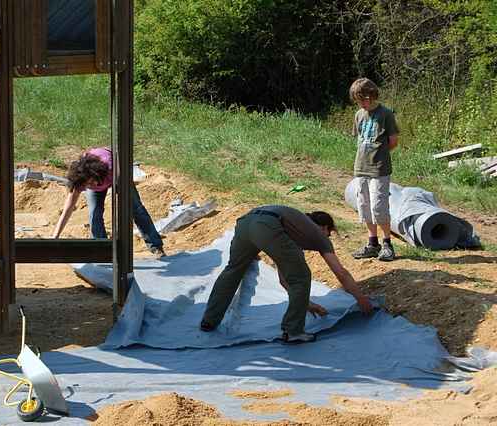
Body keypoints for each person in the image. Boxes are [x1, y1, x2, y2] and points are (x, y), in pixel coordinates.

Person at [200, 205, 373, 344]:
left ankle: (209, 320)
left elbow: (284, 279)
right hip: (266, 224)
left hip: (246, 222)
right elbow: (341, 273)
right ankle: (293, 331)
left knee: (234, 270)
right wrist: (362, 300)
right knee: (302, 276)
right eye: (329, 233)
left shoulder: (293, 228)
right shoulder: (317, 235)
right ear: (324, 227)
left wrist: (306, 304)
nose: (328, 237)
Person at [51, 147, 166, 258]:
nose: (90, 187)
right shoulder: (80, 179)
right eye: (85, 187)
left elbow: (122, 200)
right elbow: (68, 209)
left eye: (90, 183)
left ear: (94, 174)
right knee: (94, 214)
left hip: (117, 175)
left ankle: (156, 247)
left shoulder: (110, 167)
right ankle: (102, 252)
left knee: (136, 209)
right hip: (103, 176)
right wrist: (55, 236)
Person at [349, 78, 400, 261]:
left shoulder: (385, 114)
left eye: (363, 99)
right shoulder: (359, 115)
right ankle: (373, 243)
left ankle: (387, 244)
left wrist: (379, 154)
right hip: (361, 167)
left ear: (372, 96)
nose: (362, 103)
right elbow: (360, 138)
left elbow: (393, 141)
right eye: (358, 100)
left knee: (379, 207)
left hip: (379, 168)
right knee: (364, 206)